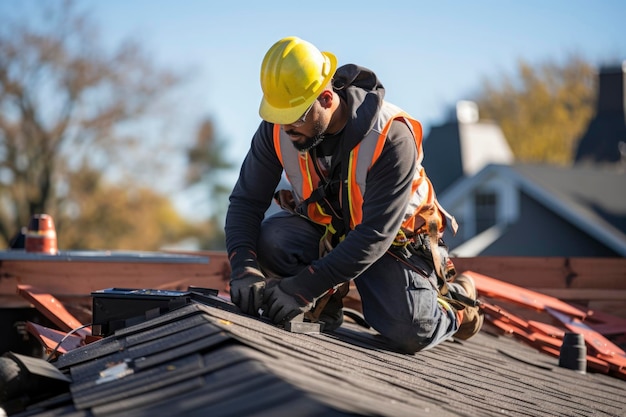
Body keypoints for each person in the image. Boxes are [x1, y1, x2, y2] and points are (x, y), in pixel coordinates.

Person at [224, 36, 483, 353]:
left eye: (295, 116)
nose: (286, 128)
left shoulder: (390, 137)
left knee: (409, 328)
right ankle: (324, 310)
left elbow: (375, 234)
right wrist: (244, 268)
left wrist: (303, 287)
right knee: (273, 239)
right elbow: (246, 203)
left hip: (393, 244)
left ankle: (458, 305)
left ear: (326, 99)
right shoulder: (278, 128)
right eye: (279, 116)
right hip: (330, 233)